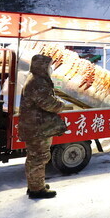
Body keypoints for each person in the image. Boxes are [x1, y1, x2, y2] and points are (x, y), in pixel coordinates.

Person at [18, 54, 73, 199]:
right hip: (37, 127)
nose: (50, 69)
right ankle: (37, 190)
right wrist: (62, 105)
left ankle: (35, 185)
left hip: (34, 126)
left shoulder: (35, 79)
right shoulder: (38, 82)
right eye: (49, 66)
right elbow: (48, 103)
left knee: (34, 157)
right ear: (42, 67)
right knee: (39, 157)